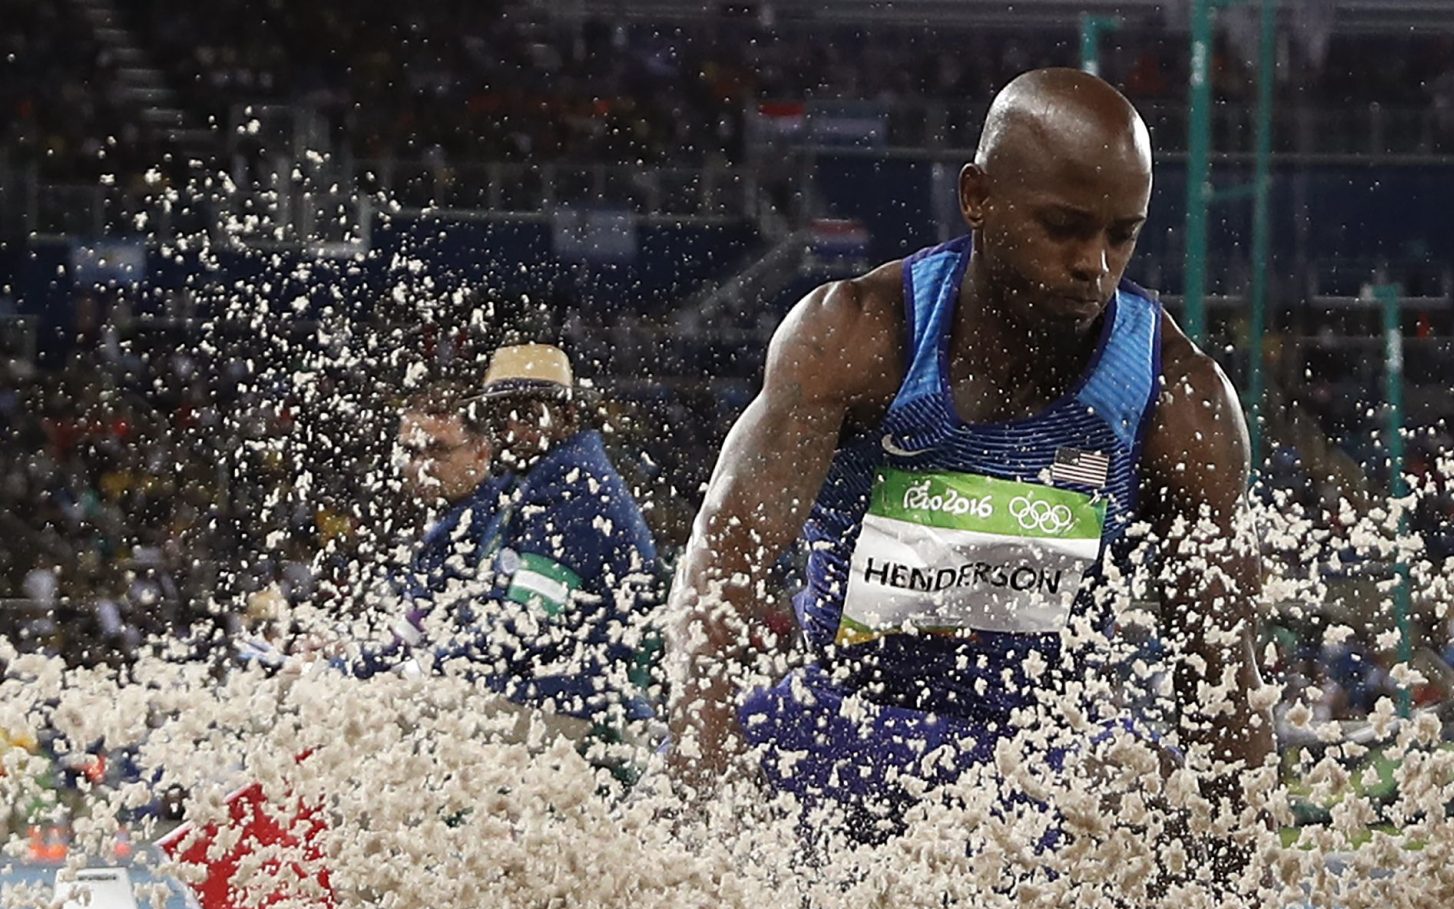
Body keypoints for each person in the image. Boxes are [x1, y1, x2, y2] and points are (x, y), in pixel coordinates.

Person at [666, 69, 1273, 848]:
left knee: (1147, 792)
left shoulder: (1178, 398)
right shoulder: (854, 338)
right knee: (727, 755)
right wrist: (702, 823)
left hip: (1048, 758)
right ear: (978, 197)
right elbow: (718, 575)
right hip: (840, 727)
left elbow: (1221, 674)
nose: (1095, 263)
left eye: (1121, 234)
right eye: (1064, 226)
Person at [385, 344, 665, 737]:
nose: (513, 431)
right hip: (541, 692)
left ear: (567, 414)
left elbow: (527, 623)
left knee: (381, 719)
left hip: (573, 705)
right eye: (502, 418)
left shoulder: (575, 488)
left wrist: (424, 666)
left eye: (529, 415)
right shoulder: (540, 481)